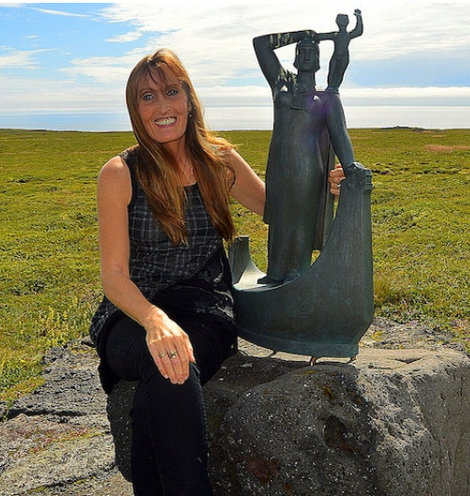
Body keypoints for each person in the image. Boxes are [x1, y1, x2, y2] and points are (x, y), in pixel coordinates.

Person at [88, 49, 343, 495]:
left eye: (171, 91)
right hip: (132, 312)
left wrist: (324, 185)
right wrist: (155, 321)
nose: (163, 107)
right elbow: (113, 275)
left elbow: (281, 212)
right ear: (136, 108)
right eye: (148, 97)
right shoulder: (119, 173)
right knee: (162, 357)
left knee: (170, 372)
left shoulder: (219, 161)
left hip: (205, 309)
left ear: (188, 97)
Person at [253, 30, 360, 285]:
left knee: (301, 219)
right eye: (302, 52)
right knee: (279, 219)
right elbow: (261, 45)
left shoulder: (326, 99)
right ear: (295, 58)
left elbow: (340, 135)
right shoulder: (282, 84)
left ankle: (297, 270)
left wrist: (350, 165)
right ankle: (276, 269)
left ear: (320, 61)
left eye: (313, 52)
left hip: (308, 169)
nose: (307, 56)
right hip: (279, 165)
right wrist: (306, 34)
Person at [317, 9, 363, 92]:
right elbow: (322, 36)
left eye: (343, 20)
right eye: (340, 20)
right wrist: (312, 36)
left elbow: (358, 31)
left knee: (339, 73)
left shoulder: (348, 35)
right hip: (336, 56)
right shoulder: (335, 35)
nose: (341, 22)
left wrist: (359, 17)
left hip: (344, 57)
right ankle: (331, 87)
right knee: (332, 72)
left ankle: (334, 88)